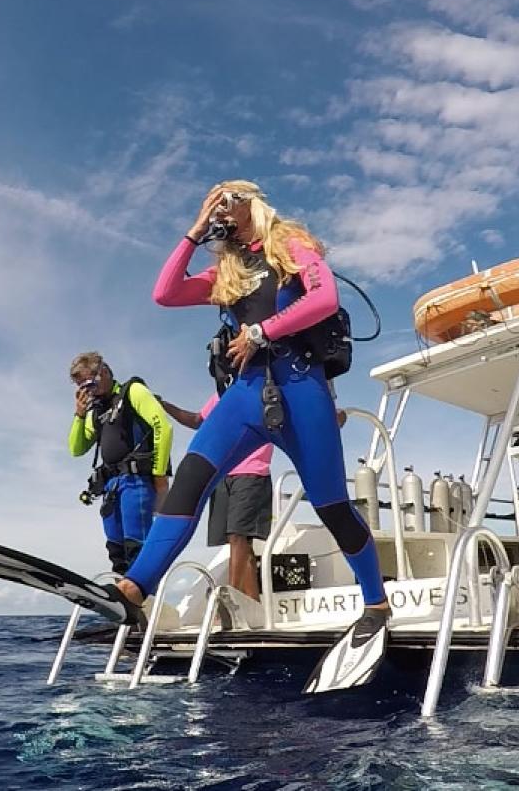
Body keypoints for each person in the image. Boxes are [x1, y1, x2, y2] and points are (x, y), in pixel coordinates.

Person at [107, 181, 390, 640]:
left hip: (300, 389)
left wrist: (261, 332)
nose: (219, 203)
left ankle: (376, 602)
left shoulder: (289, 245)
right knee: (189, 484)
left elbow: (324, 299)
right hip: (243, 396)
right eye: (212, 199)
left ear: (252, 201)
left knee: (332, 505)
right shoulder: (227, 272)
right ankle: (134, 588)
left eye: (227, 196)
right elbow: (164, 293)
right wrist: (196, 230)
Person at [68, 352, 173, 575]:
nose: (86, 390)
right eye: (80, 386)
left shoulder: (132, 392)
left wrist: (159, 475)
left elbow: (163, 428)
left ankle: (147, 601)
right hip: (111, 487)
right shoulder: (95, 411)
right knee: (117, 552)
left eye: (88, 383)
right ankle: (126, 601)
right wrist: (78, 415)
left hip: (136, 482)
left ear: (103, 372)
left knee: (137, 547)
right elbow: (76, 449)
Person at [161, 395, 272, 601]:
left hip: (252, 472)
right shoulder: (222, 395)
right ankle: (253, 604)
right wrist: (164, 404)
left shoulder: (262, 390)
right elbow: (197, 421)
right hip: (222, 473)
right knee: (239, 542)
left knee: (237, 535)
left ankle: (230, 599)